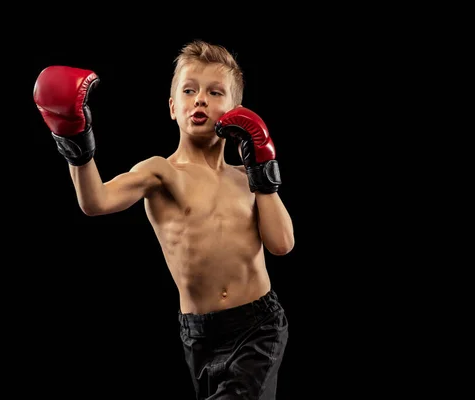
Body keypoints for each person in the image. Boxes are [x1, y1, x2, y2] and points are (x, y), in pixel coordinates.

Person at [33, 40, 294, 399]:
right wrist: (73, 138)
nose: (200, 99)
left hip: (259, 326)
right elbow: (96, 201)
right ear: (173, 107)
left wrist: (262, 171)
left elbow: (281, 244)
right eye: (189, 90)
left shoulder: (244, 179)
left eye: (215, 92)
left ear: (237, 111)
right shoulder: (162, 172)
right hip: (199, 332)